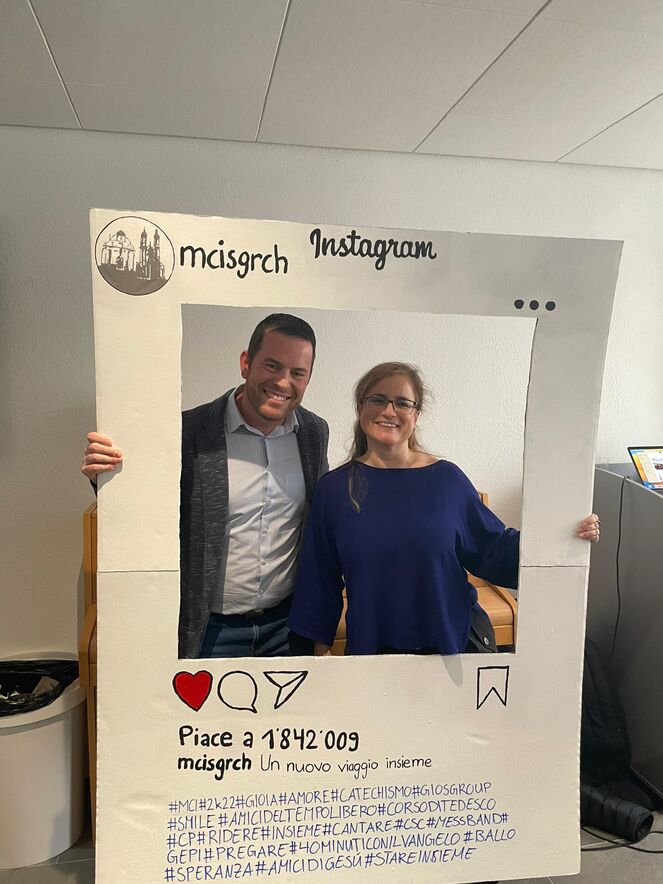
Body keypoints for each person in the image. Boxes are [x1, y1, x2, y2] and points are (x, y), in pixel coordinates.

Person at [287, 362, 600, 657]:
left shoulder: (447, 480)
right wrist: (320, 653)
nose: (389, 411)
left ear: (416, 414)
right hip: (373, 650)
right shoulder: (334, 490)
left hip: (452, 646)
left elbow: (493, 548)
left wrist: (561, 535)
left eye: (402, 403)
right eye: (378, 399)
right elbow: (319, 579)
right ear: (360, 407)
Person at [82, 314, 329, 658]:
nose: (283, 382)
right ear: (245, 363)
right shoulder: (187, 432)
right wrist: (106, 476)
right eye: (272, 366)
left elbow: (318, 519)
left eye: (298, 373)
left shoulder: (314, 433)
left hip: (287, 628)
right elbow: (147, 510)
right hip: (210, 632)